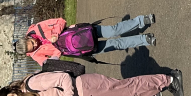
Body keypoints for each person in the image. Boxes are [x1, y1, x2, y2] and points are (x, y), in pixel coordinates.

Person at [0, 67, 184, 96]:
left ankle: (170, 79)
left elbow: (63, 77)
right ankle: (161, 86)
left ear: (10, 95)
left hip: (87, 88)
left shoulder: (32, 84)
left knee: (129, 88)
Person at [24, 15, 157, 65]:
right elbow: (49, 64)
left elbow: (60, 21)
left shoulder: (38, 28)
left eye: (32, 42)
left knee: (113, 30)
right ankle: (145, 39)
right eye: (33, 47)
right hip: (80, 49)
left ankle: (141, 21)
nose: (35, 44)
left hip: (81, 32)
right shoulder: (36, 55)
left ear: (27, 38)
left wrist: (56, 33)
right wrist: (56, 55)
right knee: (116, 44)